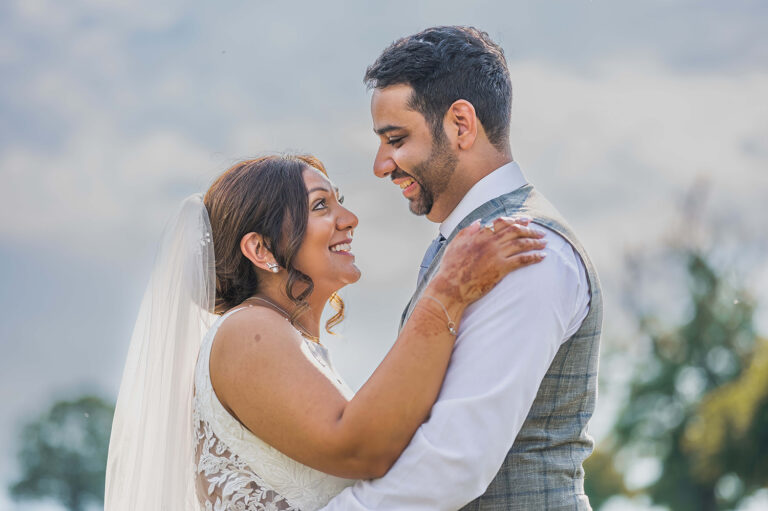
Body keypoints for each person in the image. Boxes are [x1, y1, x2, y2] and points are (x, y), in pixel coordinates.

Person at [104, 154, 547, 511]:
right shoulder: (249, 330)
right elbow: (361, 449)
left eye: (339, 201)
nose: (349, 218)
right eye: (321, 206)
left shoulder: (282, 339)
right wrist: (447, 292)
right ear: (259, 249)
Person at [322, 26, 603, 511]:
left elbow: (454, 462)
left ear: (460, 124)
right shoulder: (469, 244)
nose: (380, 165)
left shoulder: (527, 250)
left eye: (395, 138)